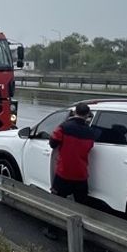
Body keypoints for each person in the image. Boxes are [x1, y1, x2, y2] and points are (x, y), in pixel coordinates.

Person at [44, 102, 99, 239]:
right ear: (87, 115)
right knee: (81, 206)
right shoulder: (90, 132)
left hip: (64, 173)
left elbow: (52, 143)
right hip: (81, 175)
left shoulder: (64, 127)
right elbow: (89, 148)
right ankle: (81, 232)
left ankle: (53, 231)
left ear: (74, 112)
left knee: (57, 203)